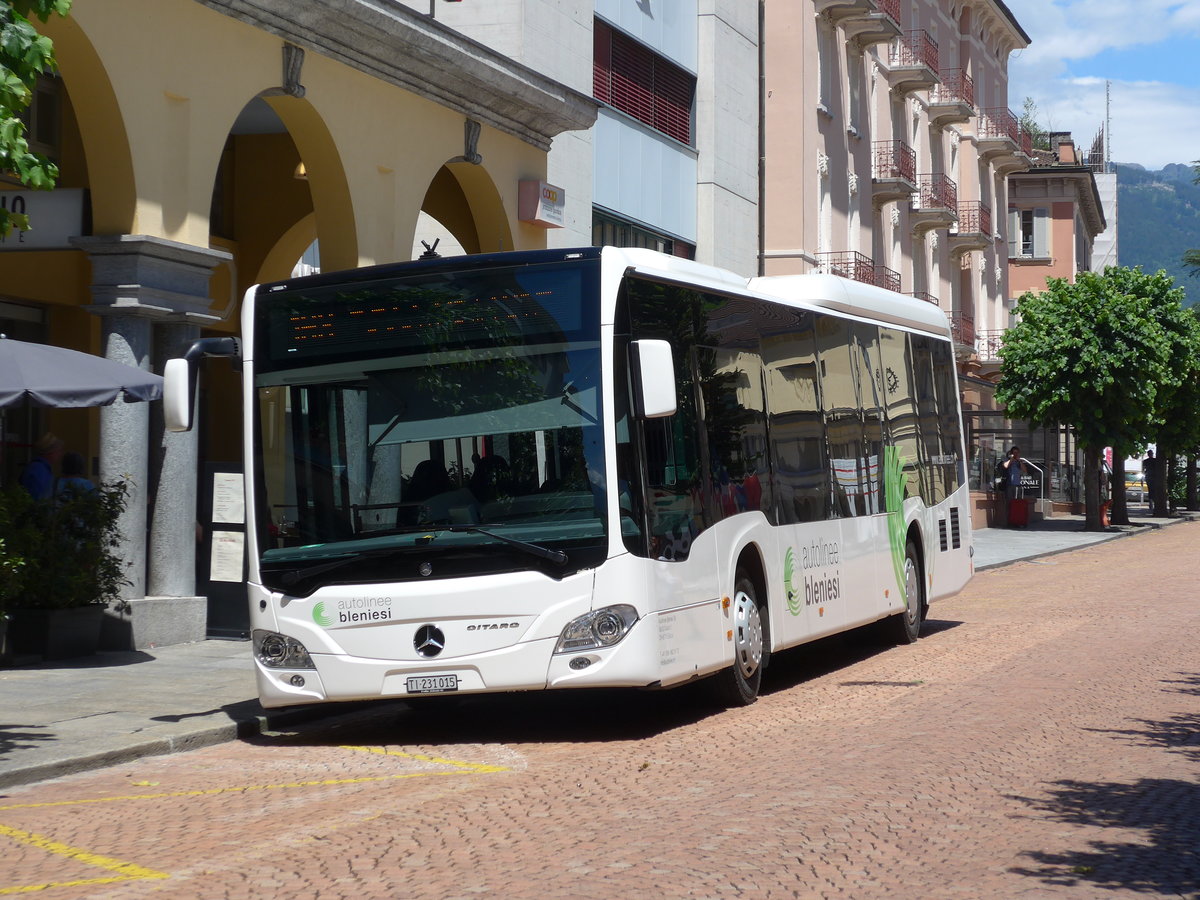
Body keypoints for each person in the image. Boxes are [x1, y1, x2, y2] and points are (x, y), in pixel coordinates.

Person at [19, 432, 64, 500]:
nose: (60, 454)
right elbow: (38, 498)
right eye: (58, 451)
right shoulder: (38, 470)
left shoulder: (40, 468)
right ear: (50, 452)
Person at [1001, 445, 1028, 527]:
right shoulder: (1008, 460)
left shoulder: (1019, 462)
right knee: (1009, 503)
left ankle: (1017, 520)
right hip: (1009, 485)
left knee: (1017, 503)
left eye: (1017, 453)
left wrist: (1019, 461)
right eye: (1014, 453)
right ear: (1011, 453)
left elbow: (1025, 470)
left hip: (1017, 485)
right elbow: (1005, 466)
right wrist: (1011, 459)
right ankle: (1009, 521)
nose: (1016, 454)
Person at [1142, 449, 1157, 514]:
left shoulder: (1145, 461)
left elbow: (1143, 470)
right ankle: (1152, 503)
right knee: (1153, 490)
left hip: (1149, 477)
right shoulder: (1155, 460)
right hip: (1154, 477)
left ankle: (1151, 504)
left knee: (1150, 490)